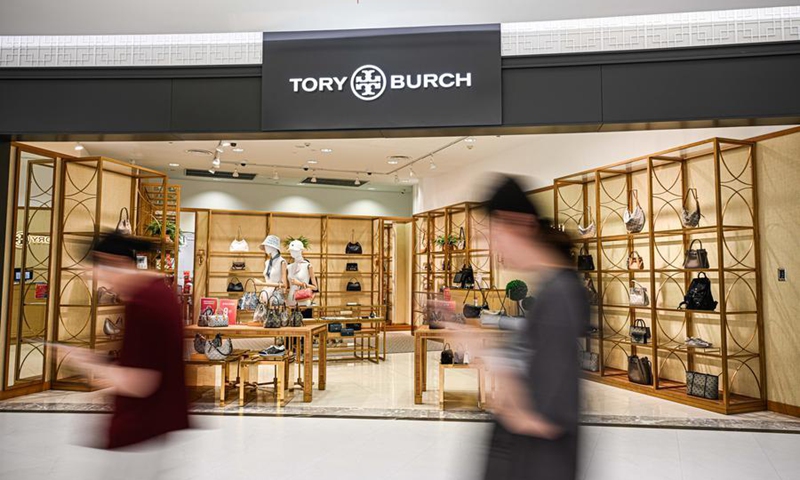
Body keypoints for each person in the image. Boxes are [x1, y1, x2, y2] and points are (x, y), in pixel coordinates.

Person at [482, 176, 588, 480]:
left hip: (539, 463)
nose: (496, 248)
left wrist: (483, 353)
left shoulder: (560, 295)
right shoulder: (552, 288)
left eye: (497, 234)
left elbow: (541, 417)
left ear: (520, 225)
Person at [63, 233, 190, 455]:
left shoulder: (145, 303)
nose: (104, 286)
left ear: (115, 262)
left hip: (140, 433)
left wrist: (85, 362)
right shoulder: (159, 293)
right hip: (153, 429)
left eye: (102, 276)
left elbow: (142, 381)